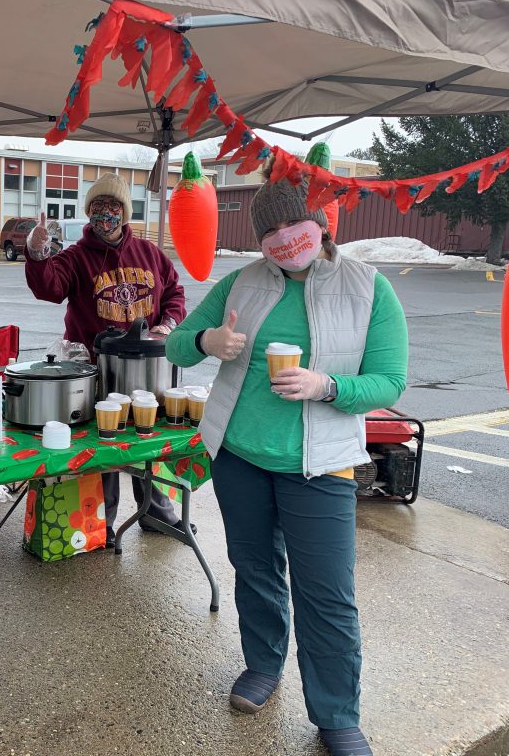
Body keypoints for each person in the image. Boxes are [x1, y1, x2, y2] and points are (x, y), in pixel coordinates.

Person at [165, 161, 408, 756]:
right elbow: (175, 341)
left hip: (320, 464)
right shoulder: (242, 284)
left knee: (327, 594)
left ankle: (336, 716)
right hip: (240, 457)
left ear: (320, 223)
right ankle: (264, 664)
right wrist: (207, 342)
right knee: (255, 570)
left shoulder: (367, 286)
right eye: (271, 235)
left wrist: (328, 387)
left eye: (295, 227)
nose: (285, 243)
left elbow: (389, 382)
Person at [25, 173, 187, 546]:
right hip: (96, 370)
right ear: (88, 212)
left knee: (150, 441)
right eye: (97, 206)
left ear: (125, 212)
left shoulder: (150, 254)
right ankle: (101, 524)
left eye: (113, 206)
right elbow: (48, 287)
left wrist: (168, 324)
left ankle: (157, 514)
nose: (106, 213)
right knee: (104, 446)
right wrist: (36, 253)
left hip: (149, 367)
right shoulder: (76, 257)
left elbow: (175, 292)